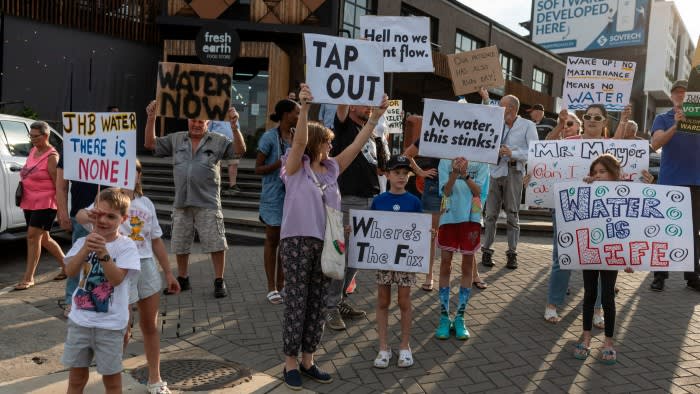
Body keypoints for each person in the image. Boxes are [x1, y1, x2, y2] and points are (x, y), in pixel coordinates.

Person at [279, 84, 387, 390]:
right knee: (297, 303)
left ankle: (308, 360)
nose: (331, 146)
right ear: (315, 143)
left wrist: (374, 118)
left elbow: (356, 147)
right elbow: (299, 142)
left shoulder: (332, 168)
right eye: (326, 142)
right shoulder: (294, 166)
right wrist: (305, 109)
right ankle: (289, 364)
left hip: (329, 244)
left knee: (318, 304)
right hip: (298, 241)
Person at [75, 161, 180, 394]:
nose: (125, 174)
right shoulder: (107, 201)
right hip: (119, 265)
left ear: (139, 176)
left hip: (146, 265)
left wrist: (170, 272)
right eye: (119, 168)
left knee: (150, 325)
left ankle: (155, 379)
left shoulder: (146, 203)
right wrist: (89, 215)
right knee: (122, 325)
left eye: (131, 169)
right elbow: (81, 216)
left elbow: (155, 240)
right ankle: (114, 372)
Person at [144, 101, 246, 298]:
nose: (196, 124)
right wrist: (151, 118)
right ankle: (183, 278)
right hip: (182, 202)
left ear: (208, 122)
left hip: (208, 202)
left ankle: (219, 280)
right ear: (188, 120)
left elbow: (239, 151)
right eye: (193, 121)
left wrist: (234, 126)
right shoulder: (176, 139)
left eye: (201, 121)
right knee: (180, 242)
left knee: (216, 243)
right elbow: (150, 144)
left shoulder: (218, 139)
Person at [61, 188, 140, 394]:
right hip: (80, 321)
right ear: (92, 213)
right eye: (99, 214)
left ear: (123, 218)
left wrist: (103, 252)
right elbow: (70, 271)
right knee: (76, 379)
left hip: (110, 326)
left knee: (112, 381)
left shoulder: (126, 246)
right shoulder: (82, 242)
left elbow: (115, 279)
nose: (103, 220)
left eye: (111, 216)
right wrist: (86, 248)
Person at [324, 100, 387, 331]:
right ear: (351, 107)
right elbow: (341, 107)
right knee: (342, 257)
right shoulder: (343, 127)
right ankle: (329, 307)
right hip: (350, 201)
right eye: (363, 104)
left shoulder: (366, 131)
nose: (368, 108)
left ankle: (338, 301)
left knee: (357, 257)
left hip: (369, 200)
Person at [573, 154, 634, 365]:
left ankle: (608, 343)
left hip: (611, 253)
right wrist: (585, 185)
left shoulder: (625, 194)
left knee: (608, 297)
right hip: (590, 250)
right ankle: (586, 338)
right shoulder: (586, 190)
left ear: (614, 173)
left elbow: (631, 227)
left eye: (602, 171)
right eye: (595, 172)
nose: (598, 176)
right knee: (590, 294)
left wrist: (629, 258)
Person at [648, 80, 700, 292]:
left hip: (696, 182)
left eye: (685, 93)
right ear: (672, 96)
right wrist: (676, 125)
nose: (680, 96)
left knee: (693, 232)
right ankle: (660, 275)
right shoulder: (662, 118)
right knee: (664, 231)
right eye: (677, 92)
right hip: (669, 182)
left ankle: (692, 276)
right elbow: (656, 143)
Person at [371, 155, 422, 369]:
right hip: (384, 259)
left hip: (406, 261)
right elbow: (370, 228)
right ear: (388, 174)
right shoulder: (379, 200)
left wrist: (427, 232)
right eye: (397, 173)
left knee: (404, 301)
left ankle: (404, 346)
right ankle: (384, 347)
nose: (401, 177)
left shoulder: (414, 201)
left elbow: (418, 231)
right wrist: (355, 231)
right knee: (383, 301)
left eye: (405, 173)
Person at [480, 95, 538, 269]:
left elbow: (535, 151)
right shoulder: (496, 123)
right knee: (490, 215)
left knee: (512, 214)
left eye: (501, 106)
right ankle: (487, 251)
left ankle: (512, 253)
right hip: (494, 172)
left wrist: (512, 153)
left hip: (514, 172)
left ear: (511, 109)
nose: (498, 109)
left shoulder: (528, 125)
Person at [434, 157, 489, 340]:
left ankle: (460, 317)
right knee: (445, 264)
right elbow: (446, 192)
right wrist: (454, 173)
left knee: (467, 266)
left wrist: (465, 175)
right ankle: (444, 316)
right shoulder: (445, 159)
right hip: (449, 215)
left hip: (471, 216)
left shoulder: (483, 159)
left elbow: (479, 191)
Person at [256, 99, 298, 304]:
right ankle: (271, 286)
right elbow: (258, 168)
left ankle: (282, 285)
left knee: (286, 242)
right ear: (285, 114)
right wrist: (279, 164)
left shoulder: (296, 136)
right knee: (272, 239)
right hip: (273, 197)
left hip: (292, 196)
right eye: (296, 112)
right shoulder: (269, 137)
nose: (299, 116)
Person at [15, 121, 65, 290]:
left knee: (32, 237)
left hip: (46, 203)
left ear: (46, 136)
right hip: (29, 201)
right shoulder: (33, 151)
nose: (32, 139)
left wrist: (60, 209)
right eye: (31, 135)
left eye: (36, 136)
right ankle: (67, 266)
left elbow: (58, 184)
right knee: (44, 238)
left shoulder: (52, 157)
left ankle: (29, 278)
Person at [209, 120, 242, 194]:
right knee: (217, 163)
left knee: (234, 162)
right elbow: (208, 129)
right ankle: (218, 185)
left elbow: (237, 128)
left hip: (232, 141)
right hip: (216, 141)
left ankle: (233, 185)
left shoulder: (233, 114)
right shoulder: (214, 115)